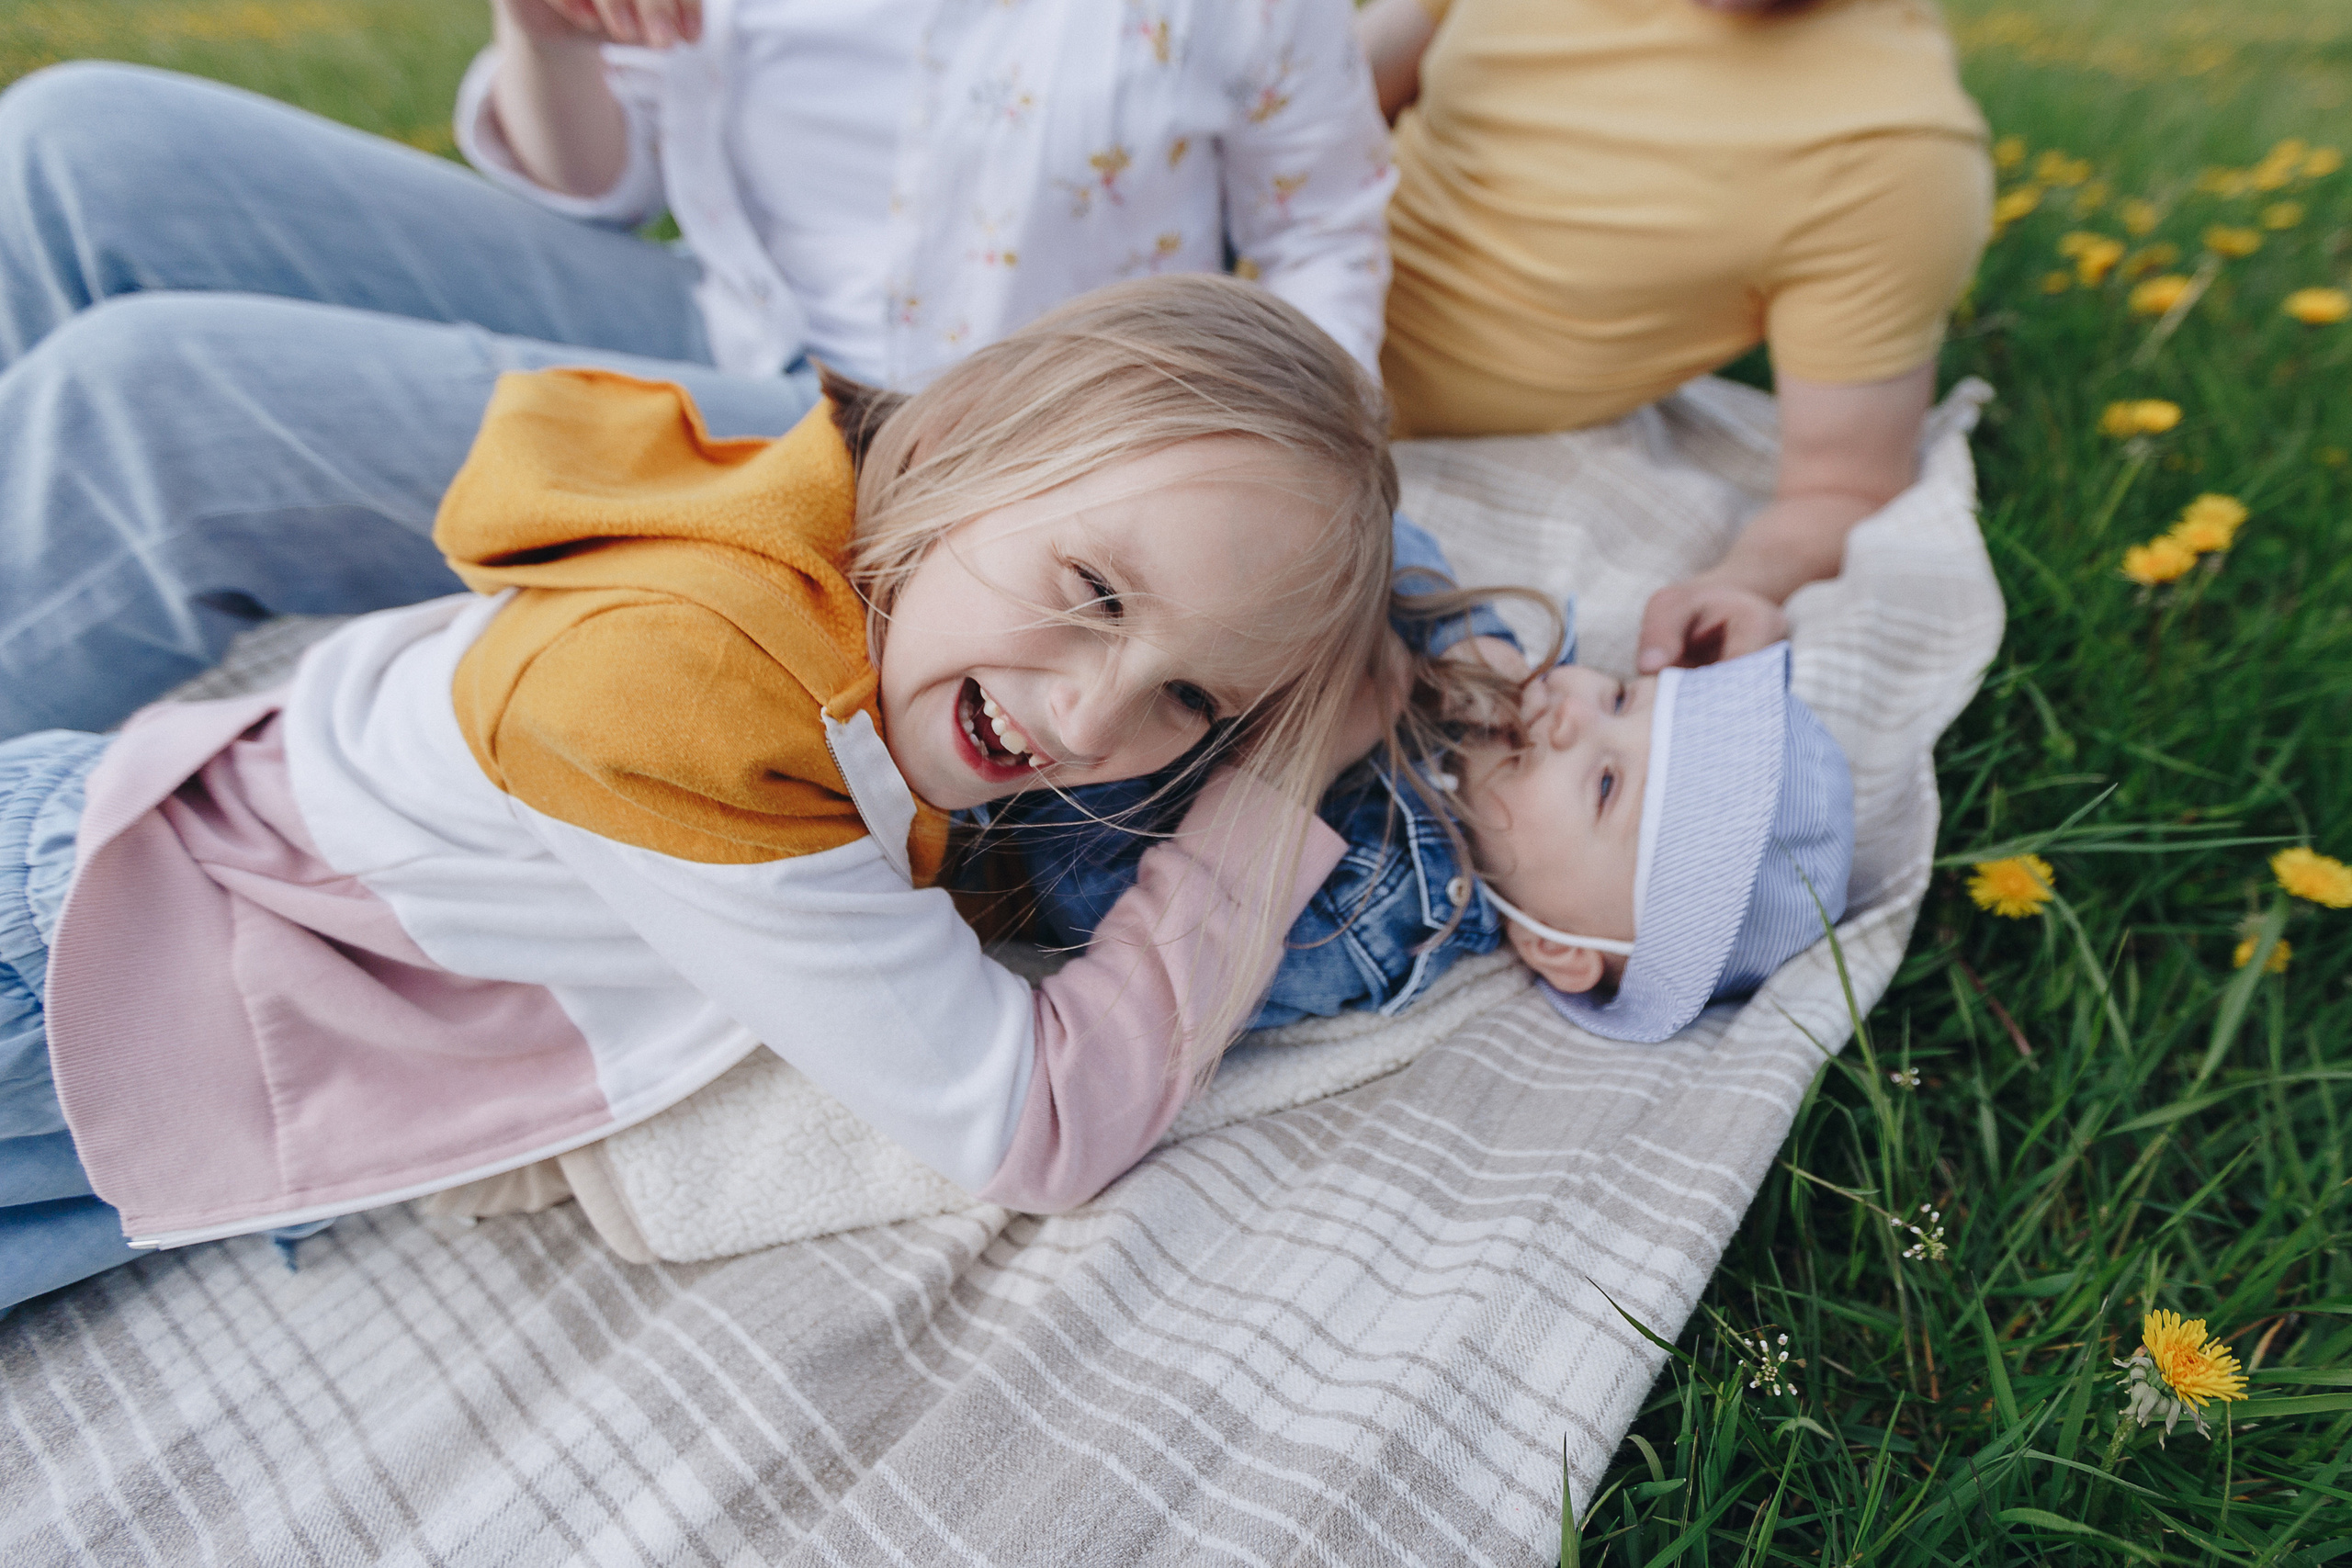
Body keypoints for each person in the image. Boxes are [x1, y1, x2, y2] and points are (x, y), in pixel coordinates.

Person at [0, 276, 1397, 1315]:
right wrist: (1264, 815)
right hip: (73, 968)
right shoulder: (685, 700)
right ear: (962, 442)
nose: (1094, 715)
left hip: (151, 977)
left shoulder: (867, 571)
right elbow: (1035, 1123)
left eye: (1191, 702)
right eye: (1091, 593)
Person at [0, 0, 1392, 740]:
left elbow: (1323, 227)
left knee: (154, 412)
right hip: (718, 319)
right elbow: (601, 190)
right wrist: (547, 36)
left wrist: (1301, 489)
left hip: (948, 449)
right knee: (75, 143)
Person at [1356, 0, 1992, 678]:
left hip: (1377, 439)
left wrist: (1739, 582)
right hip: (1263, 283)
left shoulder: (1895, 149)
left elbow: (1843, 487)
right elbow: (1317, 93)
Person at [983, 575, 1853, 1043]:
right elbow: (1359, 525)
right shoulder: (1492, 673)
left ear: (1556, 945)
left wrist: (1287, 758)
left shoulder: (1381, 913)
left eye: (1604, 784)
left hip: (1031, 759)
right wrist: (1455, 632)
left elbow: (1090, 906)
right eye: (1622, 697)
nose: (1573, 712)